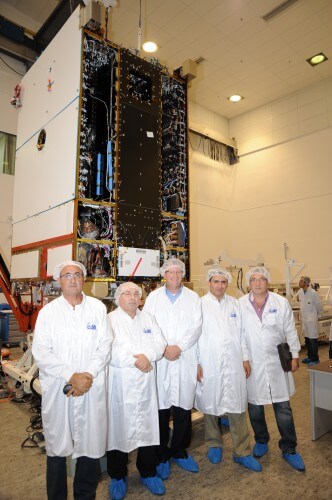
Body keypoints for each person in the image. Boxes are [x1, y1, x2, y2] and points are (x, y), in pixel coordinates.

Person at [32, 260, 112, 499]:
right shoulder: (48, 313)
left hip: (90, 386)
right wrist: (71, 376)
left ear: (84, 278)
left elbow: (104, 345)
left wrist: (87, 376)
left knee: (90, 446)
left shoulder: (98, 308)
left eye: (77, 274)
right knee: (57, 448)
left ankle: (85, 495)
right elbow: (41, 351)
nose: (73, 279)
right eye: (67, 275)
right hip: (60, 389)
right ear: (59, 281)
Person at [195, 269, 261, 472]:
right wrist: (196, 362)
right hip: (209, 361)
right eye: (216, 281)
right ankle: (214, 444)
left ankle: (242, 451)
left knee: (237, 404)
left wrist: (245, 358)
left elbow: (241, 334)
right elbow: (194, 336)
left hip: (233, 362)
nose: (220, 285)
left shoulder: (234, 303)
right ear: (209, 282)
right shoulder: (199, 305)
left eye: (224, 282)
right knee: (210, 403)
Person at [239, 267, 305, 471]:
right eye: (254, 279)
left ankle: (289, 447)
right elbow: (239, 334)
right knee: (255, 406)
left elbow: (290, 330)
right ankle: (261, 440)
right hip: (252, 362)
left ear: (268, 281)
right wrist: (244, 358)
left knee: (283, 407)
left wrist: (295, 354)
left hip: (277, 362)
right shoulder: (240, 304)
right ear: (249, 283)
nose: (258, 283)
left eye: (262, 279)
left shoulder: (280, 302)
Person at [106, 282, 167, 499]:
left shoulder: (148, 319)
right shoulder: (109, 321)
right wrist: (137, 361)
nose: (132, 297)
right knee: (118, 430)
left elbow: (160, 343)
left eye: (136, 294)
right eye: (127, 293)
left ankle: (148, 471)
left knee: (148, 428)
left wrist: (147, 356)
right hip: (121, 385)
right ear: (118, 297)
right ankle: (118, 475)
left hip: (146, 383)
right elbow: (108, 350)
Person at [144, 258, 202, 478]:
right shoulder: (153, 298)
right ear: (164, 274)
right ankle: (161, 455)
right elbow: (148, 326)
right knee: (160, 410)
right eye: (170, 272)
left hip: (184, 357)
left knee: (182, 409)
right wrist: (164, 348)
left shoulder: (193, 298)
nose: (175, 276)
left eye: (179, 272)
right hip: (160, 359)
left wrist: (180, 347)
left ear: (183, 275)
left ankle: (179, 450)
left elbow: (196, 327)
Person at [298, 276, 322, 366]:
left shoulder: (313, 293)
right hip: (304, 321)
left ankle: (315, 359)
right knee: (307, 339)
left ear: (306, 283)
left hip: (311, 320)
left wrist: (318, 316)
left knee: (313, 340)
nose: (299, 282)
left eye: (301, 281)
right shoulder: (300, 292)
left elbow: (319, 305)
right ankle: (310, 357)